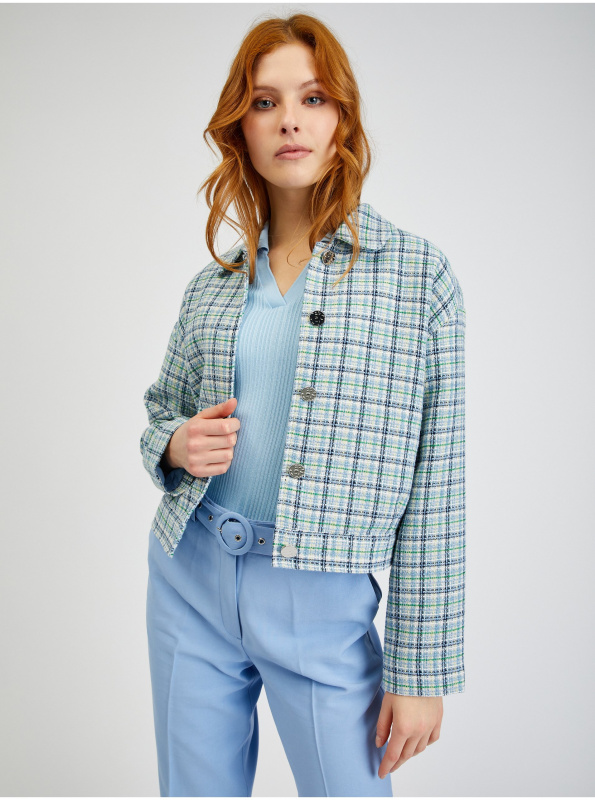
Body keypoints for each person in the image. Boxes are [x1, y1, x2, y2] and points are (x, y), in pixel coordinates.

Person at [140, 12, 466, 798]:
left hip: (321, 599)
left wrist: (420, 671)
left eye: (312, 98)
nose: (289, 119)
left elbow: (437, 483)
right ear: (241, 130)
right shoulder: (211, 286)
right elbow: (160, 412)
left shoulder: (414, 277)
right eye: (264, 102)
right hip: (189, 575)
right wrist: (176, 444)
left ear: (341, 120)